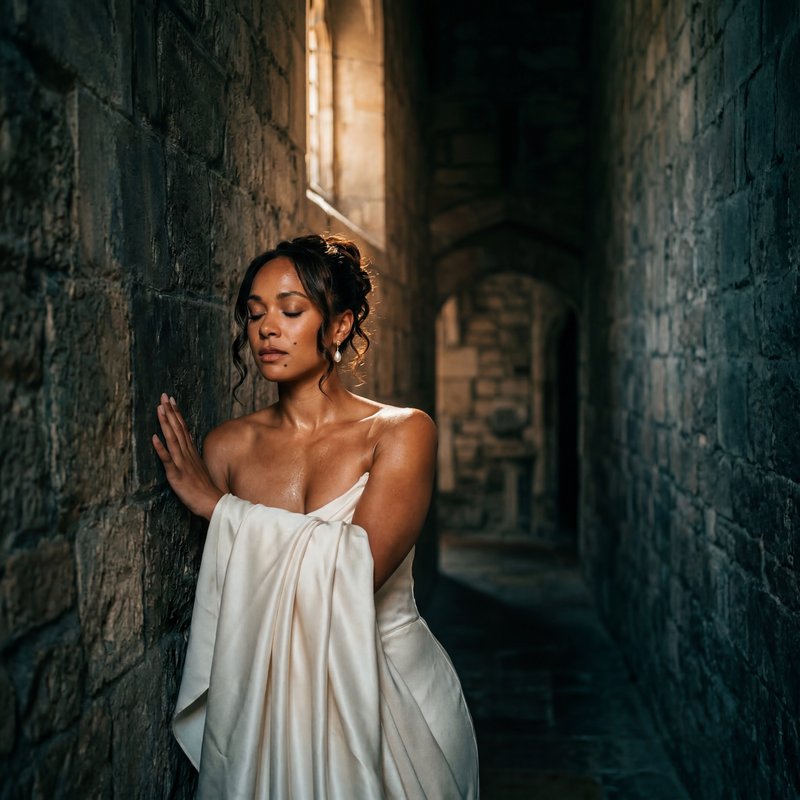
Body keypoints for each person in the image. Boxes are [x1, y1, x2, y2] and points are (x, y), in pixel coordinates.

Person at [152, 234, 479, 798]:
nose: (266, 329)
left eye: (291, 310)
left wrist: (219, 508)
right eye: (254, 314)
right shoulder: (227, 449)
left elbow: (356, 573)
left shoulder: (401, 434)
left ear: (341, 324)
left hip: (394, 696)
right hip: (268, 700)